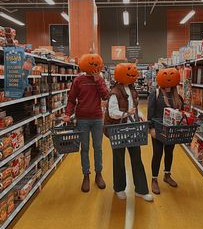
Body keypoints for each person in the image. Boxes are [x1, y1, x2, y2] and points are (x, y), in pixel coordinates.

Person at [104, 63, 153, 202]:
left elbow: (134, 108)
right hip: (118, 130)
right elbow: (112, 113)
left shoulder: (132, 90)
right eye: (129, 73)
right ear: (120, 75)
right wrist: (126, 113)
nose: (133, 75)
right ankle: (119, 188)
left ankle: (141, 190)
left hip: (133, 130)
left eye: (134, 73)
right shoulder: (115, 92)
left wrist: (141, 115)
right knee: (119, 160)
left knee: (137, 158)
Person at [64, 53, 109, 193]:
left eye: (95, 64)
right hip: (82, 119)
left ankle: (98, 174)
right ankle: (86, 175)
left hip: (97, 118)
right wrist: (67, 114)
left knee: (98, 147)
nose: (93, 66)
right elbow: (71, 99)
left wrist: (98, 80)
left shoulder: (100, 80)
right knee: (84, 148)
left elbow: (105, 95)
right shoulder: (78, 80)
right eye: (91, 63)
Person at [147, 67, 183, 195]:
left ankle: (167, 175)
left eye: (172, 75)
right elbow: (150, 112)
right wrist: (150, 128)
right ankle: (154, 179)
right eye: (166, 75)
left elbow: (180, 112)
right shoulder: (155, 94)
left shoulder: (177, 96)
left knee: (169, 152)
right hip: (158, 129)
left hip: (171, 130)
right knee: (157, 153)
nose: (169, 78)